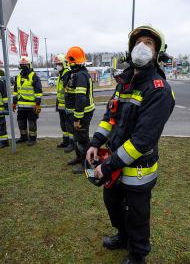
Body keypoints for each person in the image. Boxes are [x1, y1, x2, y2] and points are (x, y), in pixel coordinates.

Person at [86, 25, 175, 264]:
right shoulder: (124, 82)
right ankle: (122, 237)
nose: (142, 47)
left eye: (148, 42)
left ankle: (137, 255)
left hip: (138, 170)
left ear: (157, 52)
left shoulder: (159, 90)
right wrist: (96, 143)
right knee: (113, 204)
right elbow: (110, 118)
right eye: (138, 42)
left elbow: (142, 140)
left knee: (136, 214)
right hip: (114, 164)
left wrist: (108, 165)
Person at [64, 46, 95, 174]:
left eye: (70, 62)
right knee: (77, 137)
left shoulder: (81, 76)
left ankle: (87, 163)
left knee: (82, 139)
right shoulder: (76, 74)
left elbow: (80, 99)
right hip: (78, 112)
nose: (69, 64)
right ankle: (79, 158)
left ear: (75, 62)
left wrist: (77, 118)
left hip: (82, 113)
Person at [13, 56, 43, 146]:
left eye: (25, 65)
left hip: (32, 106)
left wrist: (37, 104)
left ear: (29, 65)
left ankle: (33, 139)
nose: (23, 67)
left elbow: (38, 92)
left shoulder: (34, 76)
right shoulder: (18, 77)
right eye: (21, 65)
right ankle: (23, 137)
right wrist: (14, 103)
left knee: (32, 123)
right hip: (21, 106)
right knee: (20, 121)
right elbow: (15, 91)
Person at [54, 54, 74, 151]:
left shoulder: (67, 74)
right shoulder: (61, 74)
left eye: (59, 64)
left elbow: (68, 90)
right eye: (57, 64)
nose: (57, 65)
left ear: (64, 64)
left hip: (68, 105)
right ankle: (65, 141)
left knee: (69, 125)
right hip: (61, 104)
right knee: (63, 125)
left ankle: (72, 143)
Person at [0, 68, 9, 148]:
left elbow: (5, 96)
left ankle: (4, 142)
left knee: (1, 126)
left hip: (0, 109)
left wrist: (6, 107)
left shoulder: (0, 82)